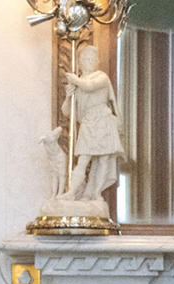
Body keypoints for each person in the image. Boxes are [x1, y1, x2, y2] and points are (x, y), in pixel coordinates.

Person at [60, 44, 124, 203]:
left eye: (92, 58)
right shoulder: (79, 82)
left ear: (97, 61)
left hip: (102, 120)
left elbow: (90, 87)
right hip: (88, 123)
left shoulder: (100, 77)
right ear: (80, 62)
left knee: (103, 159)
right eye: (86, 58)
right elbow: (67, 112)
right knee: (83, 159)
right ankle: (72, 192)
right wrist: (69, 97)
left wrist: (75, 80)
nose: (89, 61)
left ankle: (95, 193)